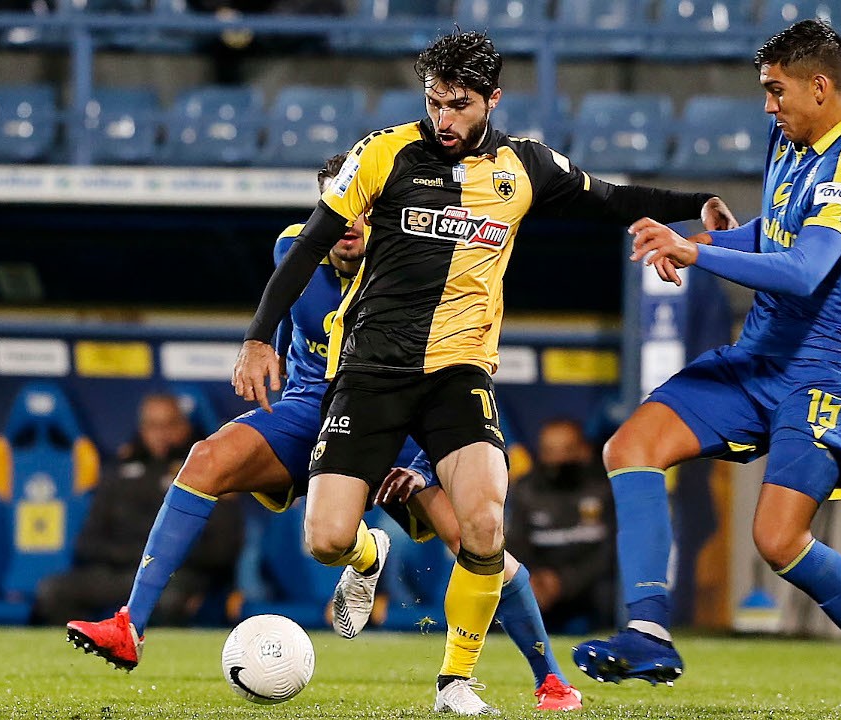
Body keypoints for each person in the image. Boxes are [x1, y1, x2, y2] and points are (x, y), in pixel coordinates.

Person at [232, 29, 735, 715]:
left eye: (459, 105)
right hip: (371, 371)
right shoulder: (382, 153)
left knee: (484, 525)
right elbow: (309, 243)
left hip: (458, 374)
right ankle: (366, 555)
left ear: (492, 99)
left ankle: (455, 683)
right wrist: (258, 338)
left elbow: (609, 197)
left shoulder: (523, 167)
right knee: (325, 540)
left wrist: (695, 203)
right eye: (434, 102)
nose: (443, 118)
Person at [65, 154, 583, 713]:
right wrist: (263, 348)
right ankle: (131, 625)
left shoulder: (421, 263)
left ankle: (550, 679)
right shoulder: (293, 249)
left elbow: (453, 377)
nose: (349, 223)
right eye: (337, 208)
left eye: (364, 209)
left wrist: (424, 464)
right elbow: (285, 313)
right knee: (207, 460)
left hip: (402, 414)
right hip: (313, 405)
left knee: (473, 539)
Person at [574, 20, 841, 719]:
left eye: (776, 90)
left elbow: (803, 270)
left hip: (829, 368)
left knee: (777, 539)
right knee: (631, 446)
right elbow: (775, 233)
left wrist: (698, 253)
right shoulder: (789, 139)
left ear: (819, 87)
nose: (767, 105)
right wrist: (693, 241)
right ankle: (648, 631)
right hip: (762, 355)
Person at [37, 394, 241, 626]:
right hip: (119, 571)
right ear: (142, 428)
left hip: (175, 575)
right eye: (153, 426)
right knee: (53, 591)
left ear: (184, 426)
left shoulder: (206, 471)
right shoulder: (119, 471)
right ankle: (89, 646)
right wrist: (140, 556)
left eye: (169, 424)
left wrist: (162, 560)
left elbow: (222, 549)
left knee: (171, 599)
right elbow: (87, 542)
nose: (161, 434)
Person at [506, 419, 616, 633]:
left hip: (589, 583)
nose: (558, 460)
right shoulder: (527, 490)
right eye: (550, 451)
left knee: (610, 591)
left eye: (566, 450)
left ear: (584, 450)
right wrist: (535, 580)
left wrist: (564, 582)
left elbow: (610, 552)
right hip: (541, 582)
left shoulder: (605, 487)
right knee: (508, 590)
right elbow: (516, 546)